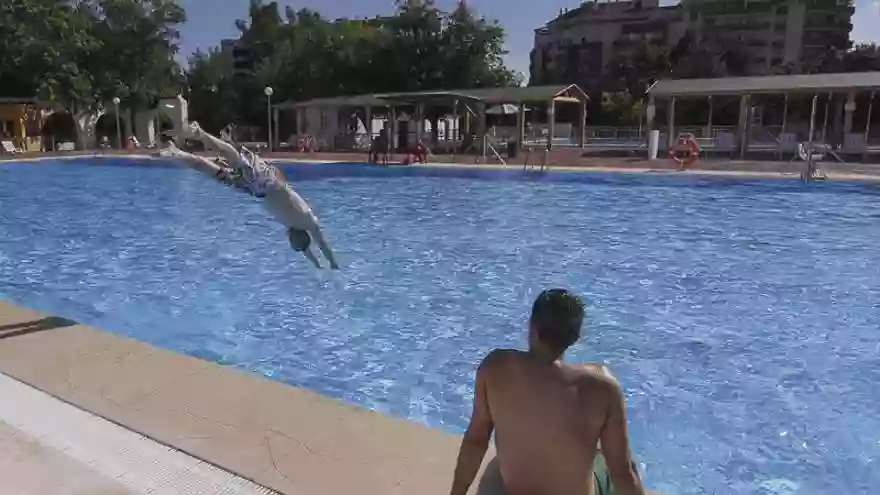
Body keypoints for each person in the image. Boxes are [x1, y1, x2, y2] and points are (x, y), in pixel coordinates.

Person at [450, 289, 649, 495]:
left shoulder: (496, 368)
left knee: (497, 466)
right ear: (576, 337)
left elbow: (476, 441)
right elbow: (622, 474)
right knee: (621, 464)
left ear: (532, 327)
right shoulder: (602, 387)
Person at [158, 125, 340, 270]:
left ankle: (176, 152)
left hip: (254, 190)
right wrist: (333, 264)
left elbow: (305, 249)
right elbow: (322, 245)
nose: (288, 240)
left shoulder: (293, 225)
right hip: (269, 182)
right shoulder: (308, 221)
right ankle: (200, 133)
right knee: (234, 158)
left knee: (211, 171)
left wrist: (318, 265)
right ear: (297, 237)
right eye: (291, 242)